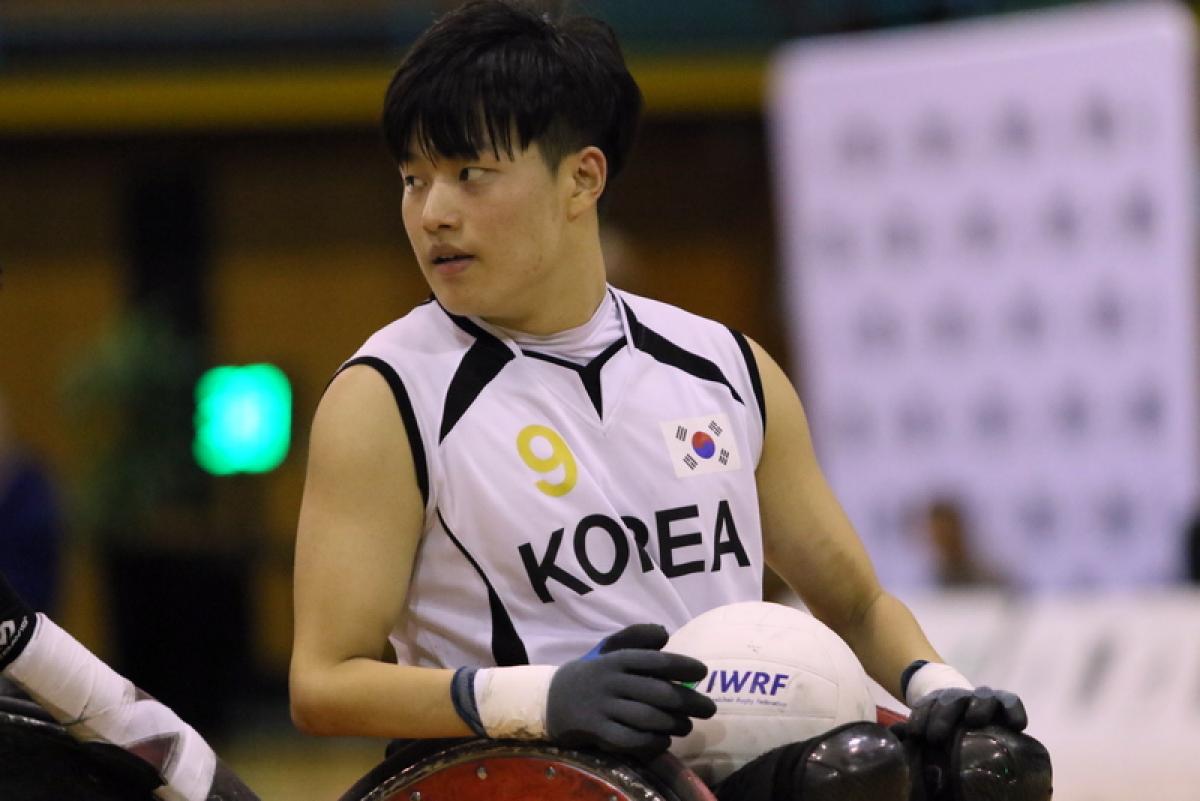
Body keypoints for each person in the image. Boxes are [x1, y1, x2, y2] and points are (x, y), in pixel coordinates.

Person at [288, 3, 1046, 800]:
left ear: (582, 177)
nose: (433, 211)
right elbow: (322, 681)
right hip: (533, 763)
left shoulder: (724, 365)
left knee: (994, 769)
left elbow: (856, 601)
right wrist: (541, 695)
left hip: (729, 742)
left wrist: (939, 684)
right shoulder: (387, 392)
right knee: (846, 783)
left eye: (469, 173)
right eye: (414, 179)